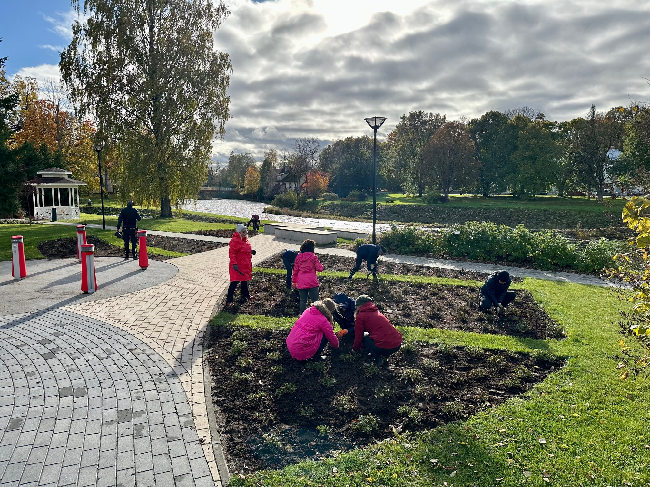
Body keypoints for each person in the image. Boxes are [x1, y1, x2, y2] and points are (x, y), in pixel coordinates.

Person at [352, 295, 403, 366]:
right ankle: (385, 355)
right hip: (397, 344)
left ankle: (378, 359)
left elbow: (358, 336)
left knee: (365, 338)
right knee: (377, 337)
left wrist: (355, 349)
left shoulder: (360, 316)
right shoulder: (376, 311)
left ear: (360, 306)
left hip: (385, 347)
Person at [226, 224, 256, 307]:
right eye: (243, 232)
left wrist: (251, 251)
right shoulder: (235, 241)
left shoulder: (245, 240)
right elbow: (232, 254)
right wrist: (234, 264)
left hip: (245, 264)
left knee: (244, 280)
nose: (245, 233)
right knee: (234, 282)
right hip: (237, 266)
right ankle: (229, 300)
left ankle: (245, 294)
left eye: (246, 232)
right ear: (239, 232)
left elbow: (243, 249)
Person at [292, 239, 324, 313]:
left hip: (301, 281)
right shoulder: (313, 257)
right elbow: (320, 269)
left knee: (303, 301)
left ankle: (302, 315)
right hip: (312, 281)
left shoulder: (298, 257)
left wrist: (294, 282)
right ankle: (316, 315)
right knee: (315, 301)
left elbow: (295, 271)